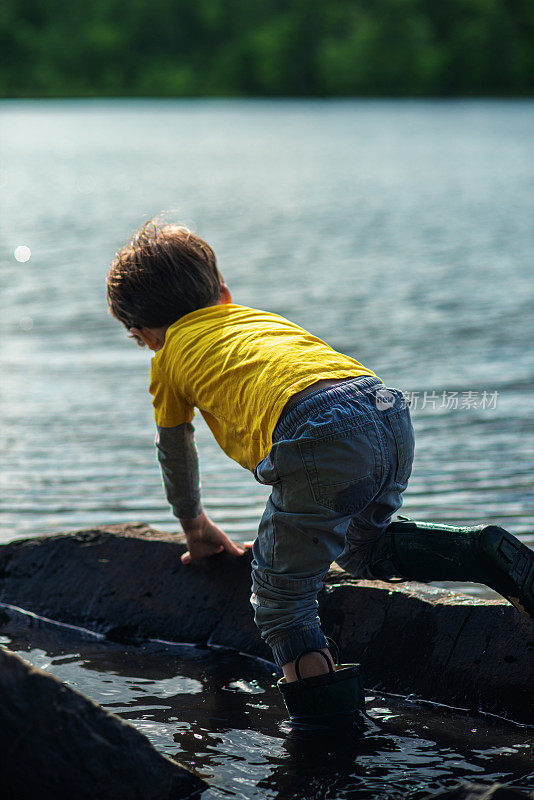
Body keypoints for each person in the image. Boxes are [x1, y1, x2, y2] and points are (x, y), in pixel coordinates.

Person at [106, 220, 534, 730]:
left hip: (316, 431)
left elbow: (174, 452)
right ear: (222, 293)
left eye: (141, 342)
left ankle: (331, 742)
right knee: (363, 549)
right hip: (384, 407)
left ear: (147, 334)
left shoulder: (170, 354)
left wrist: (195, 527)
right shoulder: (255, 320)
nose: (149, 349)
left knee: (281, 603)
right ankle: (480, 551)